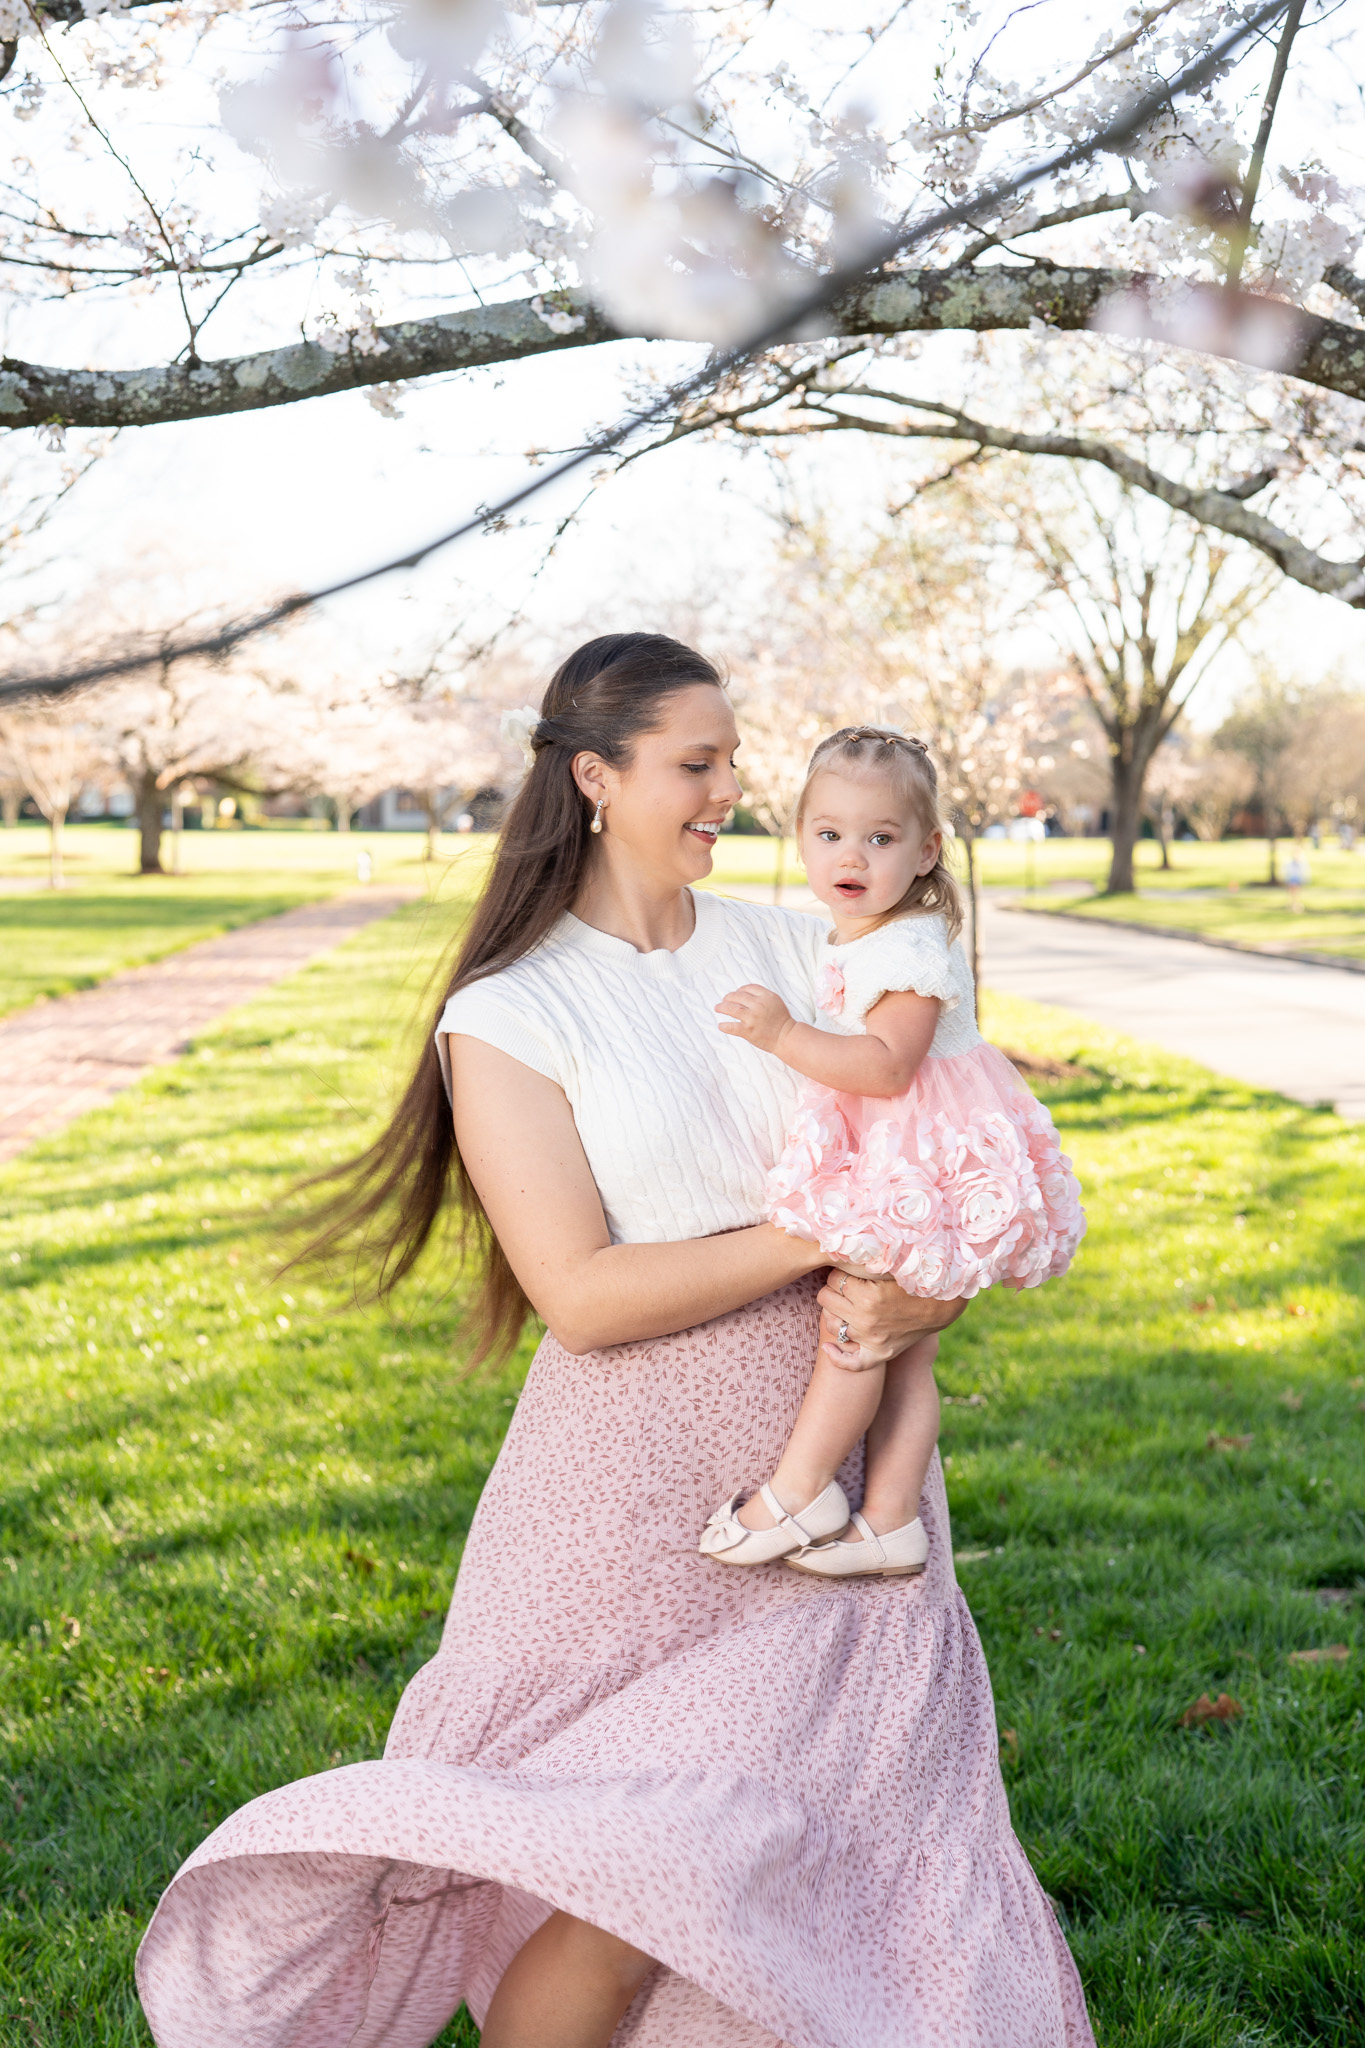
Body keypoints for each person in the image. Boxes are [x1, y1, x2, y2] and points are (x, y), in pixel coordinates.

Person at [136, 635, 1094, 2048]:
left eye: (733, 761)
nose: (730, 790)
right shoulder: (511, 1011)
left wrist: (925, 1293)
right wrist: (825, 1236)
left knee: (862, 1858)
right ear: (595, 775)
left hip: (838, 1485)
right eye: (696, 763)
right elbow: (578, 1293)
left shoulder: (805, 946)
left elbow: (941, 1152)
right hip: (630, 1497)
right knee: (629, 1874)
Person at [701, 728, 1084, 1582]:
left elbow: (887, 1067)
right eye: (829, 833)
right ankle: (889, 1519)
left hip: (918, 1156)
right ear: (799, 837)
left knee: (858, 1326)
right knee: (905, 1352)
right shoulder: (864, 930)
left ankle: (798, 1493)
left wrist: (782, 1034)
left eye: (880, 837)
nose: (852, 855)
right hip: (906, 1141)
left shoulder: (905, 947)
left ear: (926, 851)